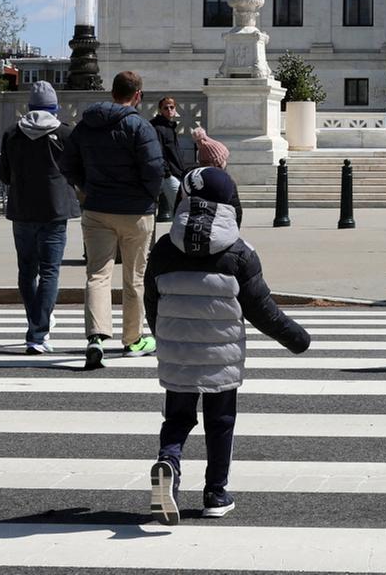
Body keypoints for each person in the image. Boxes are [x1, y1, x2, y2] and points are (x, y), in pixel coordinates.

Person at [145, 164, 311, 523]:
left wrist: (162, 338)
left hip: (177, 352)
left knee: (177, 417)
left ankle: (168, 462)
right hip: (221, 354)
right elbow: (262, 310)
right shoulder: (238, 252)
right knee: (220, 421)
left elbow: (151, 303)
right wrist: (296, 338)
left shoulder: (163, 248)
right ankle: (215, 493)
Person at [61, 69, 165, 371]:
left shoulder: (86, 125)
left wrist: (86, 186)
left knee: (98, 274)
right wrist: (148, 196)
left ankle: (96, 336)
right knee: (134, 278)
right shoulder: (140, 127)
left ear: (112, 93)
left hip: (97, 208)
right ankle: (133, 339)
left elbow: (67, 161)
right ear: (138, 96)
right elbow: (153, 170)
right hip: (136, 211)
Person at [0, 81, 76, 354]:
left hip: (21, 209)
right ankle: (38, 331)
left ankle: (37, 323)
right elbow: (76, 171)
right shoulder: (65, 133)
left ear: (29, 107)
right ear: (54, 107)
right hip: (54, 211)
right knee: (50, 270)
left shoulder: (12, 133)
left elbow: (4, 175)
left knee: (27, 270)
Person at [151, 97, 187, 221]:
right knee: (181, 209)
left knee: (178, 211)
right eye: (166, 108)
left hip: (176, 173)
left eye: (172, 107)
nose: (169, 110)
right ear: (160, 110)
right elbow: (159, 152)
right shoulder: (158, 127)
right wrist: (167, 173)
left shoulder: (170, 126)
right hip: (169, 175)